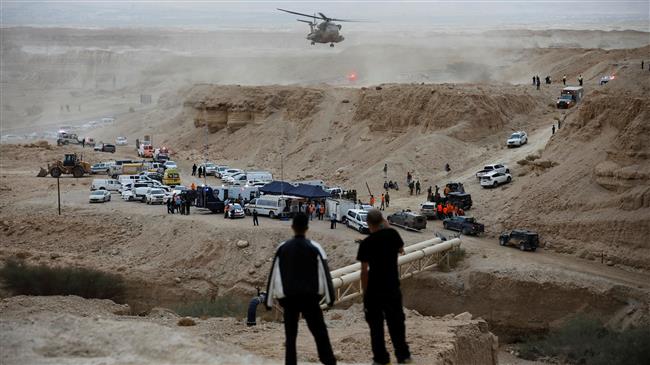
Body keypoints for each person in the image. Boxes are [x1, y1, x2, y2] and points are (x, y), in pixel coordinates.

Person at [265, 213, 337, 365]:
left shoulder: (282, 248)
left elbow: (273, 274)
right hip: (310, 299)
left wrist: (268, 301)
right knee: (320, 333)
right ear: (307, 228)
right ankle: (329, 362)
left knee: (290, 337)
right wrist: (330, 298)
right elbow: (325, 274)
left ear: (292, 227)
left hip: (289, 299)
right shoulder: (315, 247)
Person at [357, 210, 412, 365]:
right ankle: (403, 357)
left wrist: (365, 292)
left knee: (376, 327)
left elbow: (364, 272)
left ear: (368, 224)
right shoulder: (392, 235)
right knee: (396, 324)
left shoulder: (366, 243)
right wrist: (386, 225)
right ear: (381, 220)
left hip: (374, 290)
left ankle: (381, 359)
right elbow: (401, 250)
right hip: (392, 287)